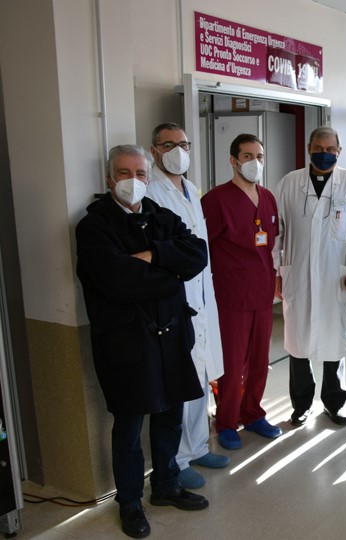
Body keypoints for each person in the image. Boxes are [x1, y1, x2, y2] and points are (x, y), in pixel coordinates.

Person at [76, 145, 209, 538]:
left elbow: (197, 254)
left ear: (148, 178)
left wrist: (152, 255)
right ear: (109, 178)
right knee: (130, 424)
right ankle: (130, 501)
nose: (132, 181)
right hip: (127, 341)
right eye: (124, 173)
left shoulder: (160, 216)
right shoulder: (94, 227)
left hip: (171, 333)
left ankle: (165, 484)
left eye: (139, 173)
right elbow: (118, 281)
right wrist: (171, 274)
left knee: (170, 414)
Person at [146, 123, 228, 489]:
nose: (178, 151)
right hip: (177, 297)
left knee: (199, 376)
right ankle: (177, 460)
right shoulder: (151, 191)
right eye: (169, 145)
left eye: (183, 144)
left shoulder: (191, 189)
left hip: (202, 294)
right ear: (155, 150)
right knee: (181, 380)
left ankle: (197, 447)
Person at [273, 126, 346, 427]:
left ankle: (334, 402)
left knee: (333, 339)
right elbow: (278, 231)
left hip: (335, 276)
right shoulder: (289, 183)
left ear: (339, 151)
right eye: (318, 148)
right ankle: (301, 405)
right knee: (298, 341)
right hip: (298, 273)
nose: (324, 154)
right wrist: (276, 271)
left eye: (330, 149)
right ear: (309, 148)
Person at [201, 133, 281, 450]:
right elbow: (202, 248)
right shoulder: (216, 200)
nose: (255, 162)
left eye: (259, 156)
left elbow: (271, 243)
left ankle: (253, 413)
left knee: (260, 360)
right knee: (233, 364)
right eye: (248, 156)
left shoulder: (268, 197)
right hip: (231, 294)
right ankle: (226, 421)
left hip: (262, 292)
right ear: (233, 160)